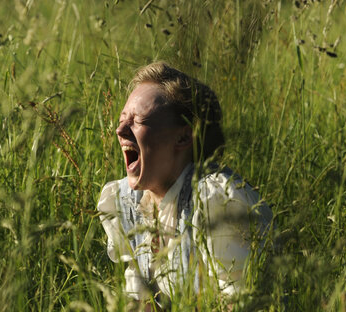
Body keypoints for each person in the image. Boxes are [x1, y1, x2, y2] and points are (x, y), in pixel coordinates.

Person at [97, 62, 273, 307]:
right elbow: (141, 303)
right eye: (122, 119)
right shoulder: (126, 200)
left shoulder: (216, 202)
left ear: (182, 137)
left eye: (138, 120)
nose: (120, 129)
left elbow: (241, 303)